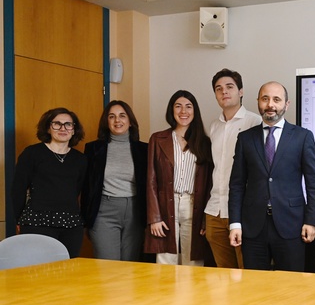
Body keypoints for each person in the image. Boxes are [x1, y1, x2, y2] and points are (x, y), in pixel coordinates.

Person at [228, 81, 315, 271]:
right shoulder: (245, 139)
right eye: (265, 99)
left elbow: (314, 183)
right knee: (254, 286)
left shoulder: (303, 137)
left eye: (276, 99)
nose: (270, 104)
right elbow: (237, 184)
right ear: (258, 102)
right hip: (253, 227)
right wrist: (235, 223)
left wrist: (311, 221)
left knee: (291, 287)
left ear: (286, 104)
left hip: (292, 225)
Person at [145, 90, 212, 266]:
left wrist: (206, 218)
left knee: (194, 259)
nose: (183, 111)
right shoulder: (158, 139)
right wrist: (154, 217)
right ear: (171, 110)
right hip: (166, 202)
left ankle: (192, 294)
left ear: (194, 111)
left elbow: (209, 184)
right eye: (178, 106)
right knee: (165, 259)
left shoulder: (204, 142)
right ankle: (166, 293)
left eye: (188, 107)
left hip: (193, 204)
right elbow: (151, 180)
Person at [204, 68, 262, 268]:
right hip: (215, 211)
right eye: (218, 89)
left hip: (242, 211)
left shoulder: (255, 122)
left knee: (247, 273)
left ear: (241, 91)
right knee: (224, 276)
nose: (224, 92)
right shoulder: (214, 126)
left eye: (229, 87)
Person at [11, 107, 87, 257]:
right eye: (57, 124)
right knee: (37, 271)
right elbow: (17, 189)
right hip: (36, 221)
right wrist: (19, 219)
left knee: (68, 270)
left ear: (73, 130)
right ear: (48, 128)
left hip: (71, 224)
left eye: (68, 124)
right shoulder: (31, 153)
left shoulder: (81, 159)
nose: (63, 128)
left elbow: (78, 190)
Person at [82, 100, 148, 261]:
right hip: (104, 212)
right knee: (108, 266)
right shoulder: (93, 149)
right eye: (112, 116)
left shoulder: (144, 149)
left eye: (122, 116)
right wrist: (85, 218)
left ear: (130, 121)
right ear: (106, 122)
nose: (117, 120)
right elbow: (86, 186)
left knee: (130, 266)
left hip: (135, 212)